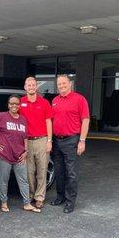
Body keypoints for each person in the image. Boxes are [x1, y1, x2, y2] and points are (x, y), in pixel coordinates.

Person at [0, 95, 41, 213]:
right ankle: (4, 203)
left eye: (16, 104)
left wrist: (26, 151)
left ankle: (27, 204)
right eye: (12, 103)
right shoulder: (2, 117)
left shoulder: (23, 119)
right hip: (4, 156)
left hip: (19, 155)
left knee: (23, 180)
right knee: (4, 180)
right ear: (8, 105)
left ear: (19, 105)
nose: (14, 106)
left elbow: (25, 137)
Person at [50, 75, 90, 213]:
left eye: (64, 83)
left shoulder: (79, 99)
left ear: (70, 83)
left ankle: (70, 201)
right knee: (59, 171)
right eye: (59, 84)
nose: (61, 86)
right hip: (57, 140)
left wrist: (82, 141)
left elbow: (85, 120)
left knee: (71, 173)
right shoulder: (54, 100)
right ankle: (60, 197)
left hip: (71, 140)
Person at [19, 77, 53, 209]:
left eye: (33, 85)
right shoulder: (21, 102)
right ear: (25, 87)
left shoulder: (44, 102)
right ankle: (31, 195)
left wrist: (49, 141)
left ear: (36, 87)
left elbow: (48, 121)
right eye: (29, 85)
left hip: (42, 140)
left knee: (42, 170)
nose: (31, 87)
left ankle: (39, 197)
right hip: (27, 141)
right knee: (29, 171)